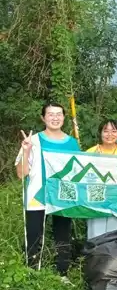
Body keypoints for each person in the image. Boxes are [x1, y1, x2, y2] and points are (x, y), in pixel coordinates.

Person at [15, 103, 81, 274]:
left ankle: (62, 272)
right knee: (34, 234)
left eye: (59, 114)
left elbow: (77, 172)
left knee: (63, 233)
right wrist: (26, 151)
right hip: (38, 195)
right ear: (43, 118)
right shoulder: (33, 141)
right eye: (50, 114)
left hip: (62, 195)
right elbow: (21, 174)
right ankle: (32, 271)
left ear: (64, 118)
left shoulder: (72, 143)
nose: (55, 117)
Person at [85, 119, 117, 239]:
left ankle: (112, 258)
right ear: (100, 133)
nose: (110, 135)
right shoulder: (91, 152)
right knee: (95, 234)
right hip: (96, 199)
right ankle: (94, 257)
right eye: (106, 131)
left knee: (115, 234)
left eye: (114, 131)